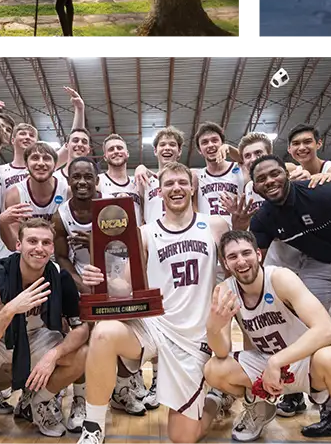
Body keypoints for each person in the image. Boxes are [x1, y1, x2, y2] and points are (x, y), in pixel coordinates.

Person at [74, 163, 225, 444]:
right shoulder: (144, 232)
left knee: (183, 438)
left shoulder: (215, 225)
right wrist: (101, 279)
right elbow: (124, 284)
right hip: (154, 326)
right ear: (159, 191)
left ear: (193, 188)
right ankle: (93, 427)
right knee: (104, 334)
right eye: (169, 184)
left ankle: (216, 399)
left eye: (182, 182)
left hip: (194, 335)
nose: (176, 188)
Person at [248, 156, 331, 439]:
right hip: (318, 265)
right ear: (255, 188)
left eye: (275, 174)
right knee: (303, 328)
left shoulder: (324, 190)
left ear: (287, 174)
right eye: (262, 179)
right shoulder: (264, 218)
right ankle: (330, 410)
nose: (270, 181)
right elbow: (250, 259)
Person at [205, 233, 331, 444]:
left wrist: (277, 361)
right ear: (226, 263)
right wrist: (213, 329)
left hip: (304, 361)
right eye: (233, 256)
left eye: (246, 253)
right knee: (214, 369)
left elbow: (328, 330)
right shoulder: (226, 290)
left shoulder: (280, 278)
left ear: (258, 255)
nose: (241, 261)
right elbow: (221, 352)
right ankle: (260, 406)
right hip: (264, 363)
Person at [0, 217, 92, 443]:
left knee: (83, 353)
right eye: (32, 241)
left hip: (38, 337)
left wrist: (53, 355)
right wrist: (10, 310)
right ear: (19, 245)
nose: (39, 248)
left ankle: (38, 403)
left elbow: (81, 329)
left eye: (46, 243)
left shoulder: (59, 275)